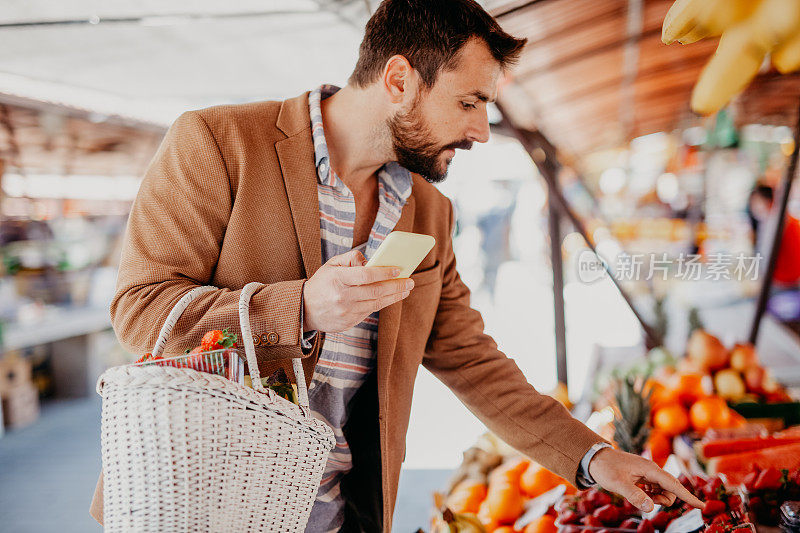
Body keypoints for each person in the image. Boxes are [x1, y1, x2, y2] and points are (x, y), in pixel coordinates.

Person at [90, 0, 703, 530]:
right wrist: (301, 307)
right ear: (399, 79)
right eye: (469, 101)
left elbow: (471, 359)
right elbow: (141, 312)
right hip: (208, 512)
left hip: (343, 517)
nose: (482, 130)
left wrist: (594, 457)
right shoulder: (219, 144)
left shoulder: (428, 211)